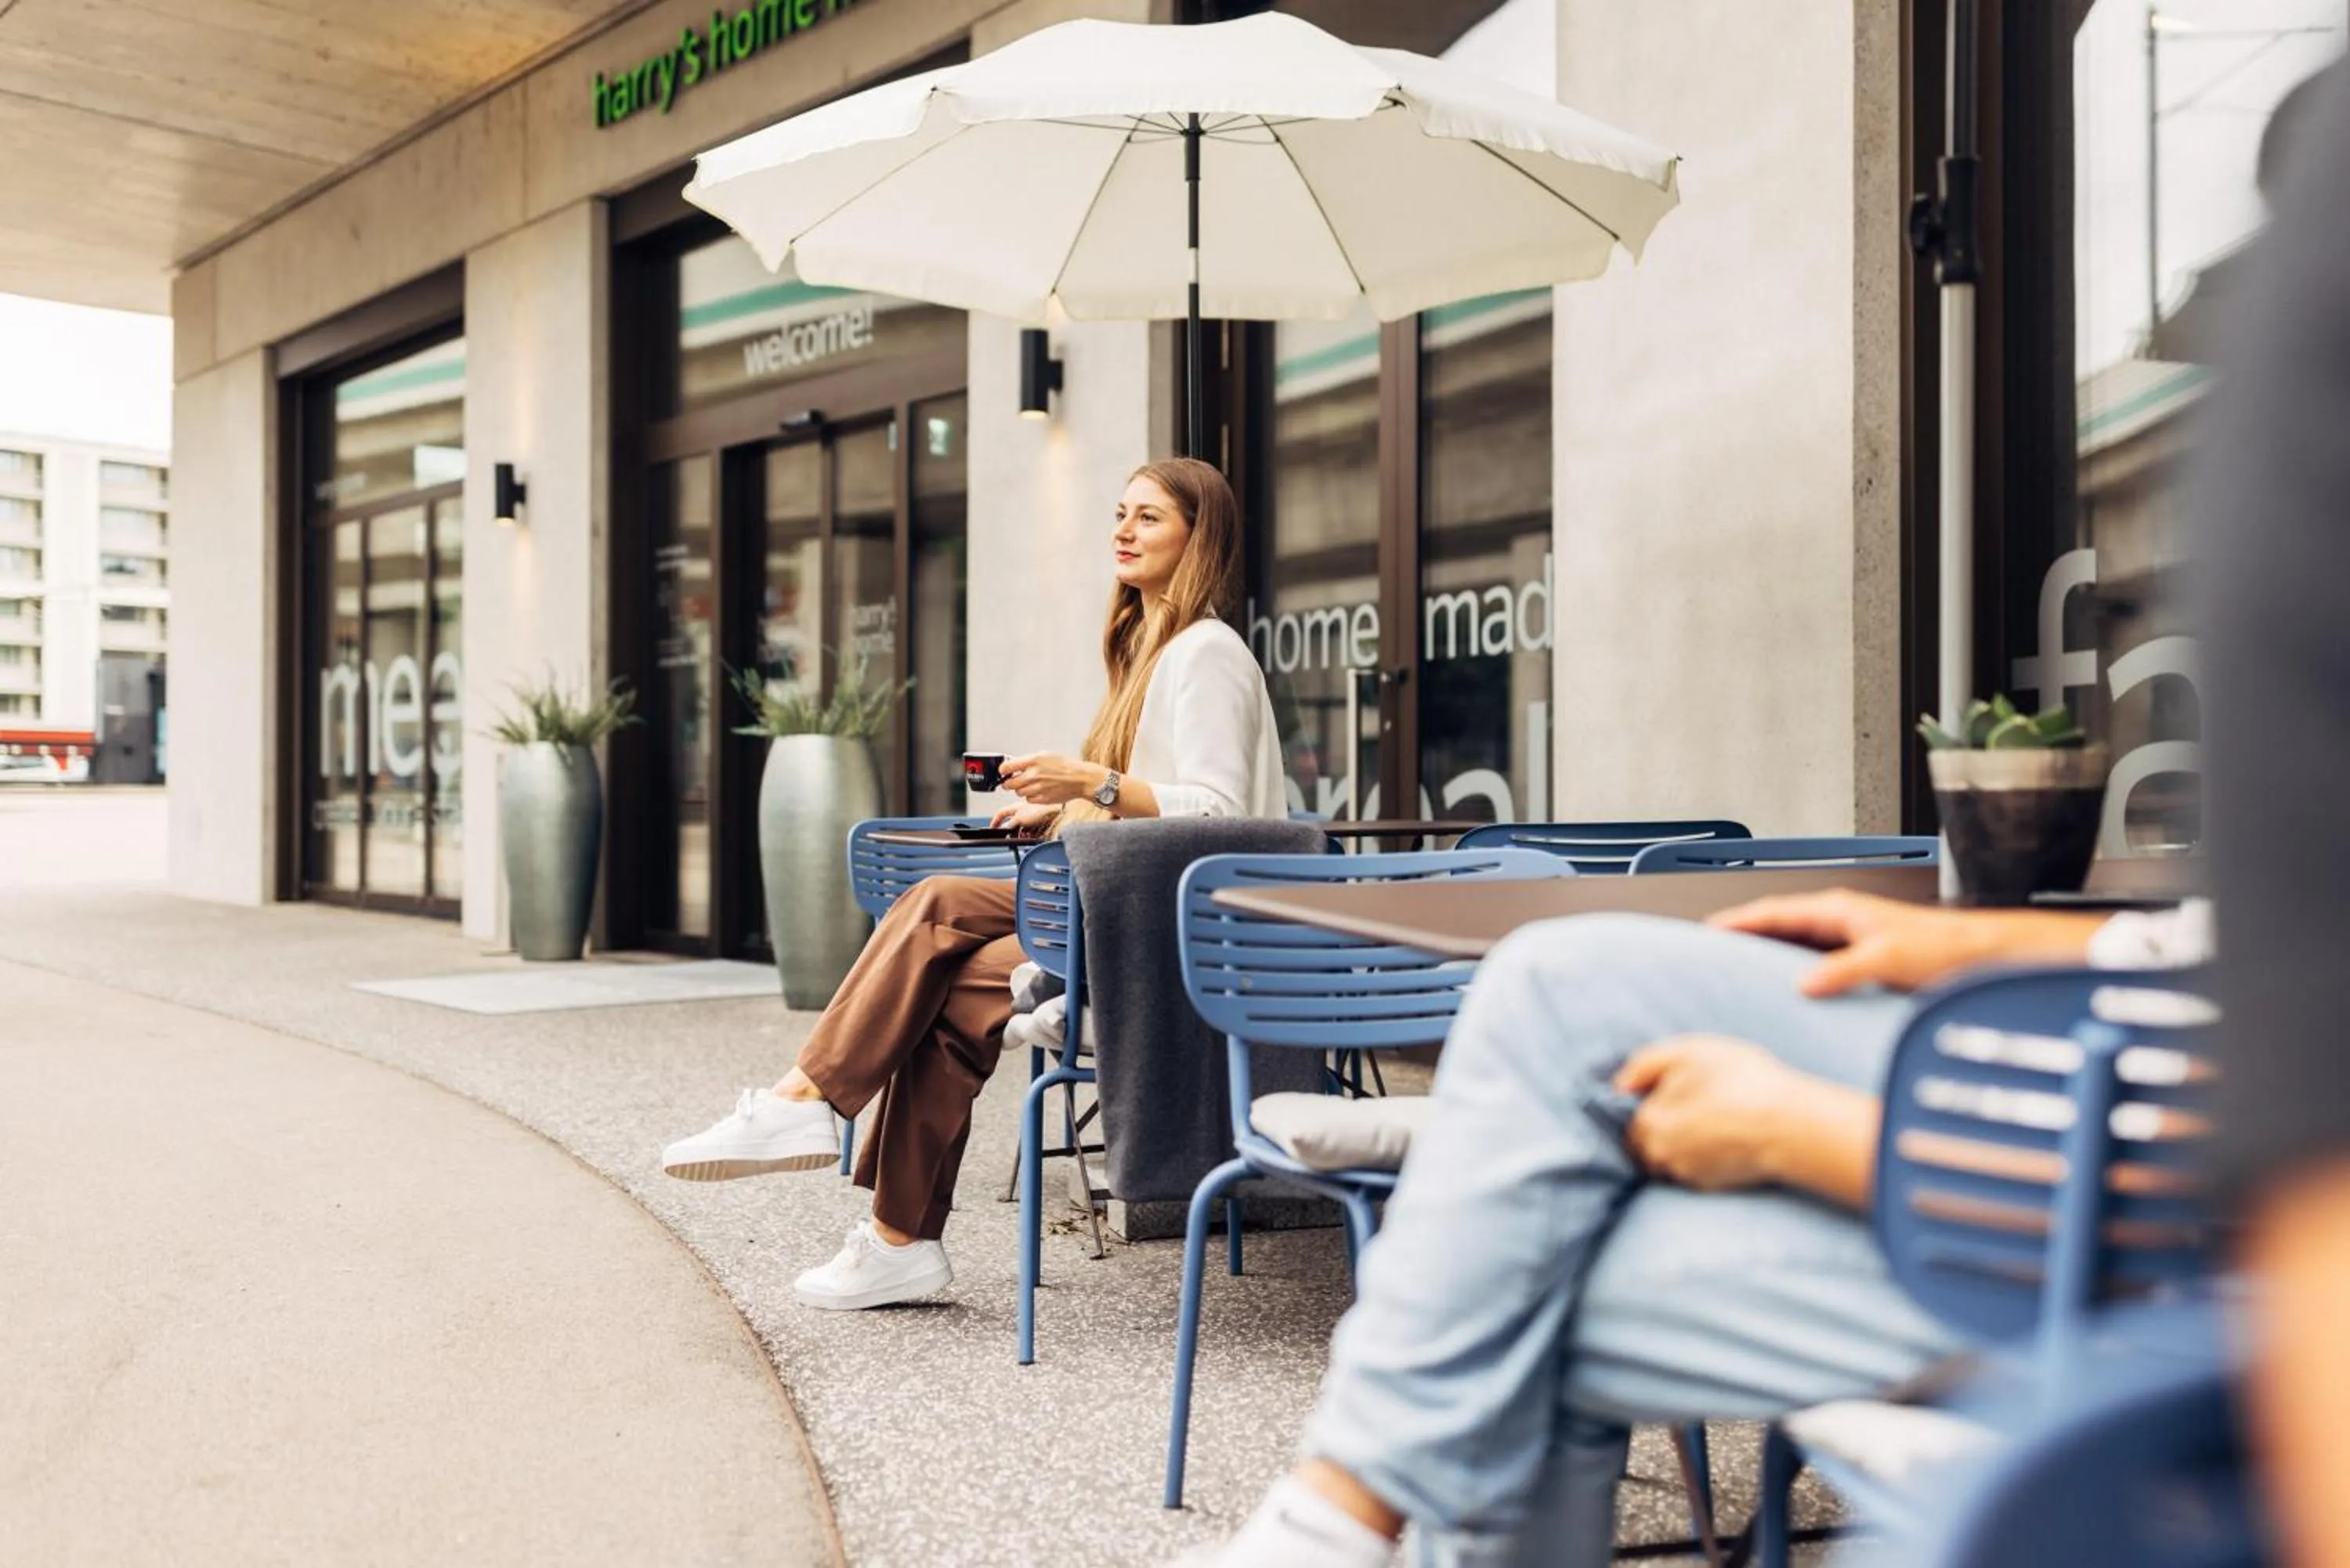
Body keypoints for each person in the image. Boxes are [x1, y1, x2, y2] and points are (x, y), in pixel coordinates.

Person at [1192, 888, 2210, 1568]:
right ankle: (1330, 1519)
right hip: (2089, 1052)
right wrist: (1976, 935)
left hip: (2166, 1251)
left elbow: (2272, 1163)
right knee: (1551, 1044)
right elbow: (2242, 949)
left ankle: (1329, 1517)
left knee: (1525, 1268)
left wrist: (1803, 1133)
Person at [661, 457, 1287, 1310]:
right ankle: (893, 1235)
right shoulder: (1151, 652)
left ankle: (810, 1111)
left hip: (1184, 933)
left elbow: (1216, 816)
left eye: (1148, 518)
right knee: (950, 984)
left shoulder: (1208, 652)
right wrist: (1062, 811)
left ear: (1198, 535)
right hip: (1128, 908)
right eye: (1120, 513)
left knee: (937, 909)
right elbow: (1150, 810)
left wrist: (1089, 783)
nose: (1123, 530)